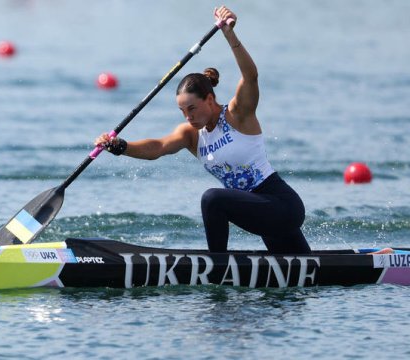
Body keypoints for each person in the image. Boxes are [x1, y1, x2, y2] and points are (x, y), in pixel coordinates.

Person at [95, 6, 311, 254]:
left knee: (212, 199)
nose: (188, 117)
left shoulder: (237, 114)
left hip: (281, 205)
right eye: (182, 111)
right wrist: (120, 146)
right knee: (303, 273)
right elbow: (158, 147)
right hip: (258, 212)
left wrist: (230, 35)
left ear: (210, 99)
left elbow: (250, 76)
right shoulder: (191, 135)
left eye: (192, 108)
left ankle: (216, 264)